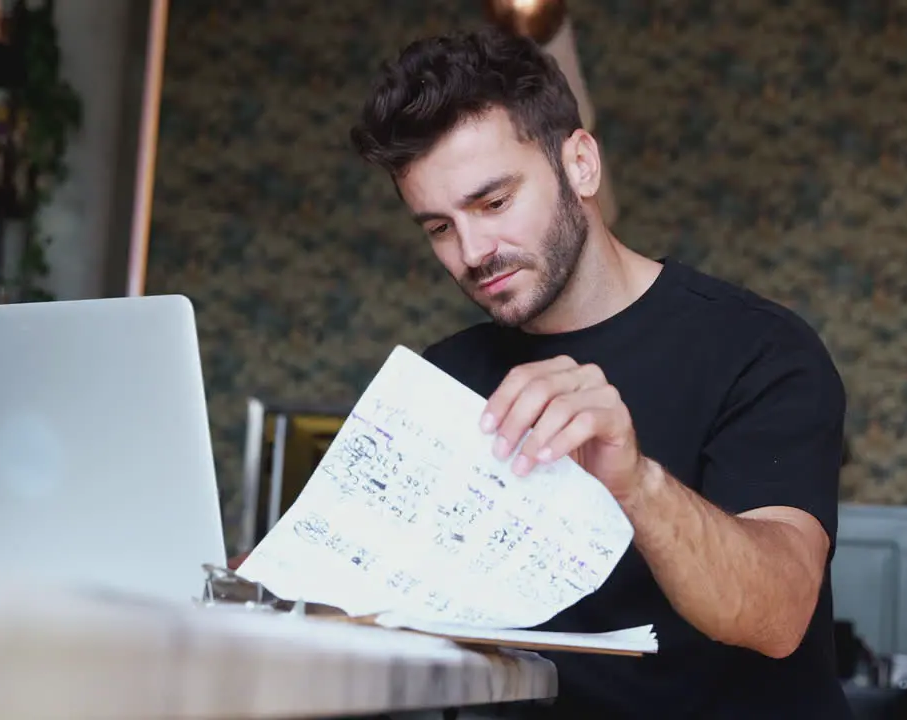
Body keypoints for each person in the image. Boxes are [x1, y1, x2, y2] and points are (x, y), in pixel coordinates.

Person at [345, 27, 851, 719]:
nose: (471, 251)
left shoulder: (761, 350)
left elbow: (778, 613)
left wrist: (635, 481)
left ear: (580, 163)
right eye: (438, 227)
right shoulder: (444, 379)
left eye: (493, 203)